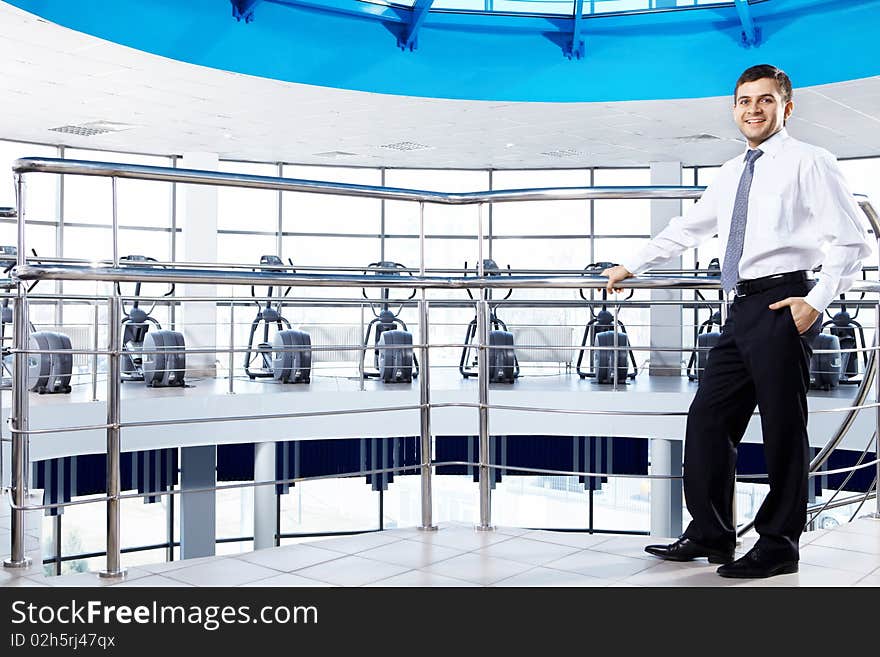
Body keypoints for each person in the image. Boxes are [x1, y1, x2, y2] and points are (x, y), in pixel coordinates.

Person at [603, 64, 872, 579]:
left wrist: (814, 302)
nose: (754, 109)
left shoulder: (810, 162)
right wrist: (633, 264)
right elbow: (689, 227)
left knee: (782, 430)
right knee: (706, 420)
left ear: (786, 107)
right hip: (739, 308)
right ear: (734, 108)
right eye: (745, 100)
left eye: (766, 100)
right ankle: (711, 531)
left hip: (782, 302)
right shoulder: (731, 172)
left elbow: (852, 240)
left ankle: (779, 545)